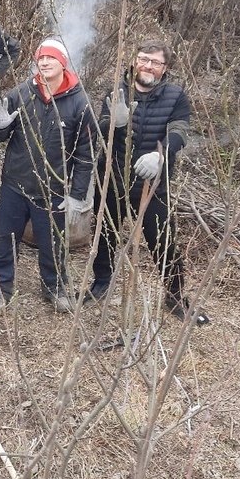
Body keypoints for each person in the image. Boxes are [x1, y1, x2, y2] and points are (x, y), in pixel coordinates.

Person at [86, 41, 207, 324]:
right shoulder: (116, 91)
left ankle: (175, 296)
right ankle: (102, 280)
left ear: (165, 68)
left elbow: (180, 131)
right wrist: (113, 123)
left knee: (164, 241)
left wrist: (160, 155)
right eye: (143, 59)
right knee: (105, 235)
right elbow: (99, 132)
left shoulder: (175, 96)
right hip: (113, 179)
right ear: (134, 61)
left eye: (155, 62)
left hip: (154, 184)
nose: (148, 66)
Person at [0, 36, 95, 313]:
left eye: (50, 58)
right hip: (16, 183)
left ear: (63, 63)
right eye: (40, 58)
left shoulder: (79, 103)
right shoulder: (21, 94)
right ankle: (0, 288)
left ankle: (55, 287)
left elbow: (85, 154)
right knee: (5, 240)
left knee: (53, 244)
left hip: (53, 188)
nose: (44, 62)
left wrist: (78, 195)